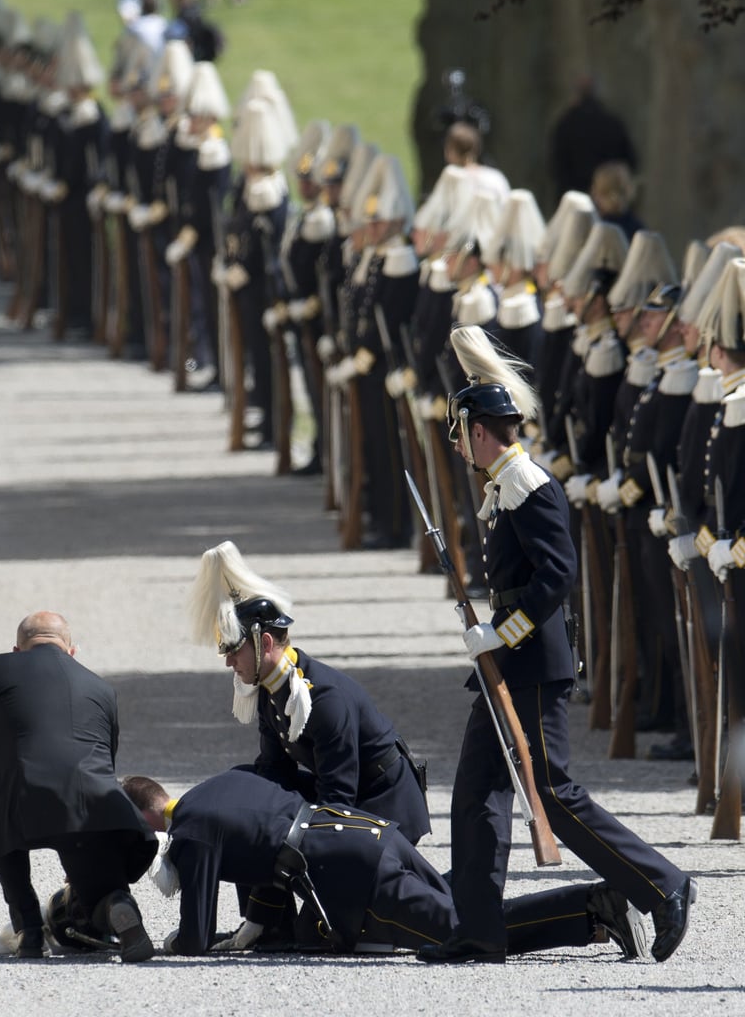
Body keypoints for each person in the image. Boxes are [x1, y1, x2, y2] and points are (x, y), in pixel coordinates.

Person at [417, 326, 696, 965]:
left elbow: (556, 576)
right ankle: (480, 929)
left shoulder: (528, 485)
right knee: (477, 789)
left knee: (556, 798)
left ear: (481, 430)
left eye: (462, 432)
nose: (459, 443)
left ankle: (663, 885)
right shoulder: (504, 482)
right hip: (508, 664)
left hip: (531, 665)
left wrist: (502, 633)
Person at [121, 769, 648, 960]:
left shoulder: (189, 832)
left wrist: (166, 942)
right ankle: (595, 906)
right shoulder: (218, 785)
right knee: (460, 907)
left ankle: (593, 908)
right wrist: (254, 927)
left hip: (348, 874)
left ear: (144, 819)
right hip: (364, 832)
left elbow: (194, 936)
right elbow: (271, 855)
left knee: (465, 932)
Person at [188, 540, 431, 844]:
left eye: (235, 651)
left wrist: (296, 838)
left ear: (264, 644)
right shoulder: (271, 688)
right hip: (345, 793)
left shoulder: (324, 699)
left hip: (382, 804)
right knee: (245, 794)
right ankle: (261, 894)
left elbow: (339, 797)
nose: (228, 662)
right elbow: (275, 772)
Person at [0, 611, 157, 962]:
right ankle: (117, 905)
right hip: (93, 805)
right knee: (100, 890)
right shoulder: (102, 688)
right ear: (72, 652)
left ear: (18, 650)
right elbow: (107, 760)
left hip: (17, 803)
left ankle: (29, 927)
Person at [549, 76, 638, 202]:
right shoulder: (612, 123)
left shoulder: (566, 124)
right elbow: (630, 162)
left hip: (573, 196)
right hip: (608, 198)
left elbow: (556, 165)